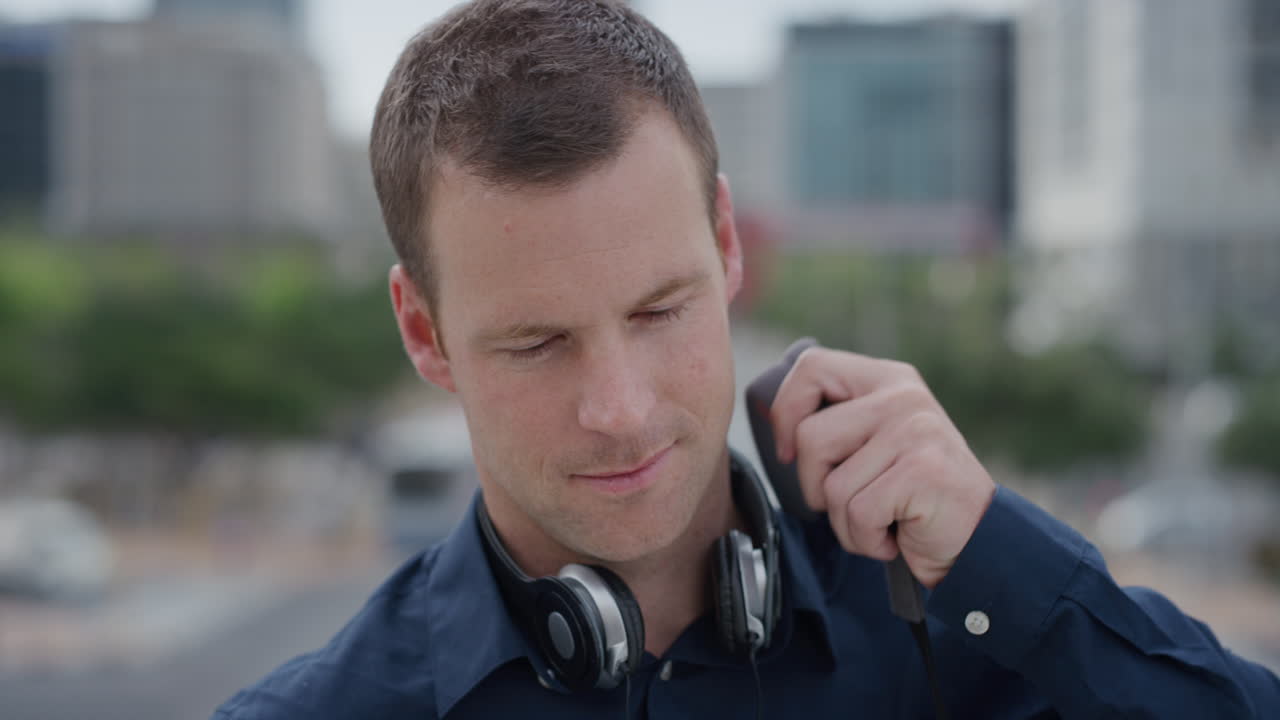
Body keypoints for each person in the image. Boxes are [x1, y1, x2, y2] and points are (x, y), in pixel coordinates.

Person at [212, 1, 1280, 717]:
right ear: (422, 332)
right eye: (537, 343)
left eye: (659, 310)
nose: (621, 411)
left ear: (726, 244)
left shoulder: (960, 633)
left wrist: (1001, 557)